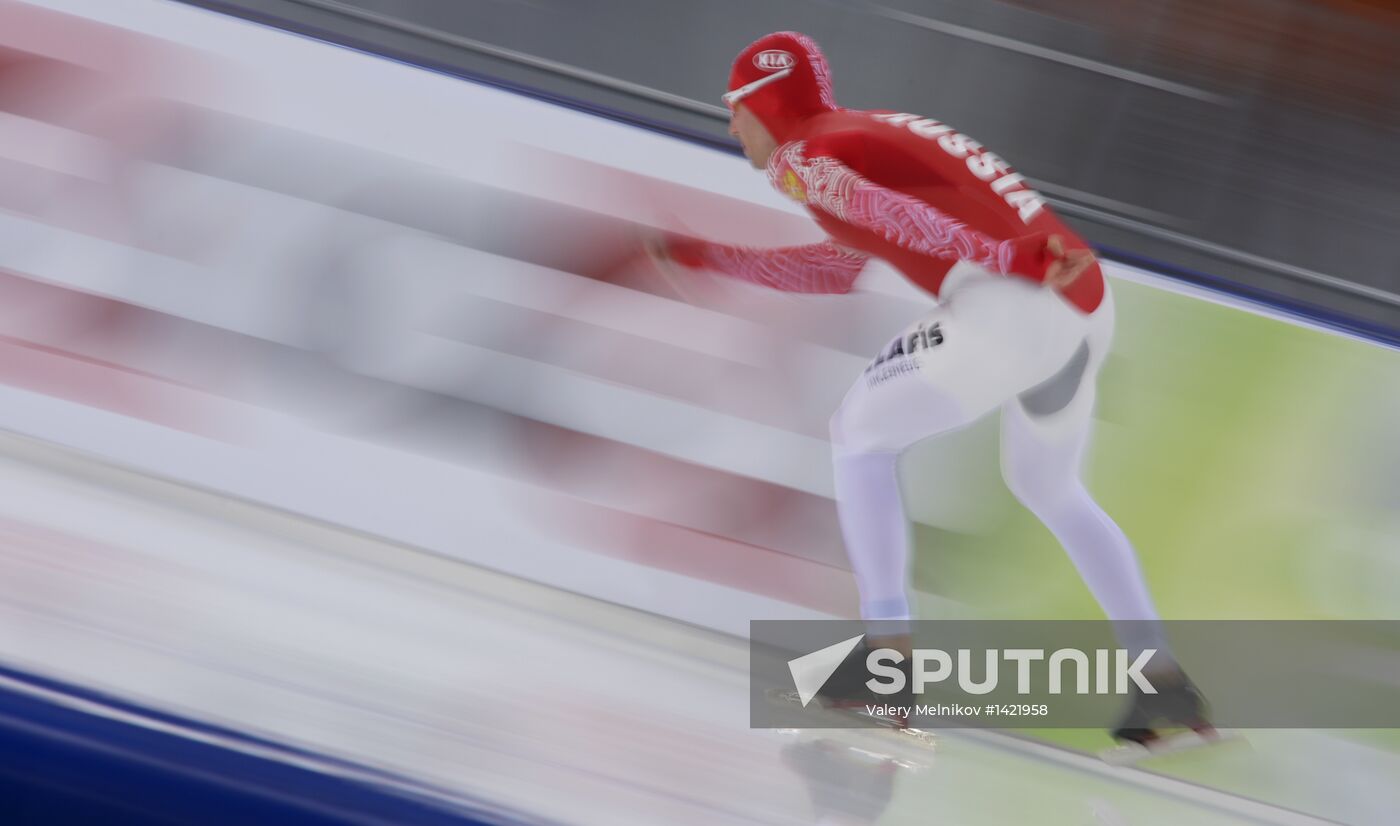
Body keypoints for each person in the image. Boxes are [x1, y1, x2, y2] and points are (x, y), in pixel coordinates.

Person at [651, 31, 1211, 747]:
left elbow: (895, 218)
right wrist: (709, 257)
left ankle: (888, 667)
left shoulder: (807, 158)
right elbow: (837, 266)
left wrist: (1009, 256)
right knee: (1051, 488)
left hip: (1012, 297)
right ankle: (1162, 681)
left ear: (766, 103)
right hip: (1081, 304)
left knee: (858, 438)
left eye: (737, 107)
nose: (732, 126)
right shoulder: (861, 135)